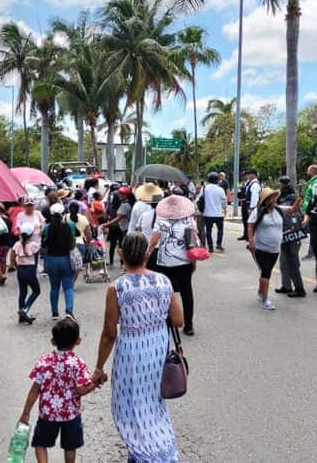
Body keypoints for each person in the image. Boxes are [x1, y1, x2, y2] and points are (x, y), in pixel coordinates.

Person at [94, 232, 183, 463]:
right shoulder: (164, 280)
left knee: (130, 407)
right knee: (154, 406)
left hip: (131, 354)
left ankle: (148, 457)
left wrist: (99, 367)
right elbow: (178, 320)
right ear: (146, 254)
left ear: (121, 254)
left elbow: (109, 333)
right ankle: (160, 453)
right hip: (157, 349)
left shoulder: (117, 288)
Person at [19, 318, 103, 463]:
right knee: (70, 447)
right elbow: (81, 390)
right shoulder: (78, 363)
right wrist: (96, 383)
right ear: (78, 341)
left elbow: (35, 390)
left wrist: (26, 413)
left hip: (47, 414)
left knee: (40, 444)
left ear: (52, 341)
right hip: (70, 415)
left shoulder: (44, 361)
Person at [147, 194, 202, 335]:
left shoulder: (161, 221)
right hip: (185, 262)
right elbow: (192, 243)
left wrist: (146, 258)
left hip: (165, 262)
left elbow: (153, 242)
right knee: (187, 293)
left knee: (165, 292)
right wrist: (193, 262)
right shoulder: (189, 221)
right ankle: (189, 325)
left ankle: (168, 321)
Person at [247, 187, 305, 309]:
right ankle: (265, 300)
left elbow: (293, 209)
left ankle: (260, 291)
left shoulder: (279, 210)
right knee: (266, 272)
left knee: (265, 272)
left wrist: (300, 198)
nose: (274, 199)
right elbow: (251, 226)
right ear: (266, 200)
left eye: (275, 197)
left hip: (275, 249)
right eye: (272, 198)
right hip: (261, 248)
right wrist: (251, 242)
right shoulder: (257, 212)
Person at [43, 203, 78, 319]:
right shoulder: (70, 225)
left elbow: (44, 244)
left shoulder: (47, 227)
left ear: (51, 215)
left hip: (51, 260)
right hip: (65, 259)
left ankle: (54, 313)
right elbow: (73, 241)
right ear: (63, 214)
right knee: (68, 287)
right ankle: (69, 311)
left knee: (54, 287)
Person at [274, 177, 307, 297]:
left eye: (284, 183)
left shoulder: (292, 198)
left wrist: (299, 199)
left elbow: (294, 210)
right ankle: (286, 286)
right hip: (284, 233)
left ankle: (299, 288)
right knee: (284, 262)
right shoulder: (279, 199)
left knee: (292, 262)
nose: (283, 185)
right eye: (282, 183)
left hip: (292, 233)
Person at [14, 222, 41, 324]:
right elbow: (37, 255)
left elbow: (12, 258)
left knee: (23, 292)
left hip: (20, 269)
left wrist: (17, 267)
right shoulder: (34, 245)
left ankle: (21, 317)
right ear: (31, 234)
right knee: (36, 291)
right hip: (30, 269)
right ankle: (24, 309)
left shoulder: (17, 245)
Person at [99, 186, 133, 266]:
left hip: (119, 228)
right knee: (121, 245)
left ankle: (118, 263)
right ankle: (122, 263)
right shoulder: (125, 204)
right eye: (119, 194)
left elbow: (117, 218)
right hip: (121, 228)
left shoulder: (122, 205)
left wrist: (105, 224)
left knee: (116, 246)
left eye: (121, 194)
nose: (120, 196)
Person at [199, 172, 227, 253]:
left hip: (208, 214)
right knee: (220, 230)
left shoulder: (205, 188)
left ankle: (210, 247)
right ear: (217, 180)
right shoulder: (221, 189)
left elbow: (200, 198)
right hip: (219, 214)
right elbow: (224, 202)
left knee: (208, 231)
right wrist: (225, 211)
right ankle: (219, 245)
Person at [301, 165, 317, 259]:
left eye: (308, 171)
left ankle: (312, 253)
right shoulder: (313, 181)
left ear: (313, 171)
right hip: (311, 211)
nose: (307, 173)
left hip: (313, 212)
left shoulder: (316, 182)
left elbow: (316, 197)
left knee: (314, 232)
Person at [237, 170, 261, 241]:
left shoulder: (255, 184)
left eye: (249, 174)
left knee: (250, 221)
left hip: (250, 205)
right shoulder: (249, 183)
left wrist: (252, 208)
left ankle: (250, 236)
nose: (248, 176)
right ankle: (245, 235)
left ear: (254, 175)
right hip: (245, 203)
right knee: (245, 220)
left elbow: (254, 197)